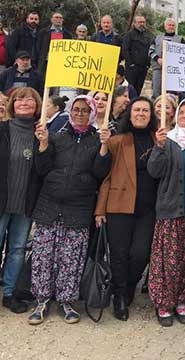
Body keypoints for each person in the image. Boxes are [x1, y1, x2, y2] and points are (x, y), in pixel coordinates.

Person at [28, 95, 109, 325]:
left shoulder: (97, 139)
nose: (80, 114)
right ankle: (42, 300)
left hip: (78, 208)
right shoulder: (56, 137)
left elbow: (100, 173)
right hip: (49, 205)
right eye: (76, 110)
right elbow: (41, 169)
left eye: (85, 110)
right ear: (70, 112)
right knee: (44, 257)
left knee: (71, 259)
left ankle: (66, 301)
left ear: (92, 113)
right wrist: (43, 144)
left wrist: (104, 147)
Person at [94, 97, 159, 321]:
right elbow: (102, 175)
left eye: (145, 110)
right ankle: (119, 295)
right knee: (119, 255)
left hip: (148, 208)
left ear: (151, 115)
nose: (141, 113)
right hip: (119, 204)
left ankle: (128, 285)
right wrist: (100, 210)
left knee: (140, 254)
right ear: (129, 114)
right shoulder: (117, 140)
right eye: (137, 110)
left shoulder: (158, 139)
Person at [147, 99, 185, 326]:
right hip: (171, 210)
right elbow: (154, 171)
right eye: (181, 112)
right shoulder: (168, 139)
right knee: (167, 260)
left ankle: (182, 299)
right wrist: (158, 148)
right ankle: (164, 302)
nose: (184, 115)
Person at [0, 87, 43, 314]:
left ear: (37, 105)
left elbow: (43, 168)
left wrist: (44, 144)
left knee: (17, 249)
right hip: (1, 201)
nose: (24, 102)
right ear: (12, 105)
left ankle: (8, 293)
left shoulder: (41, 135)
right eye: (18, 99)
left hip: (25, 203)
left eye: (29, 99)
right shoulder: (2, 129)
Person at [149, 19, 185, 99]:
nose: (171, 27)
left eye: (173, 25)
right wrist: (158, 59)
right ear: (165, 27)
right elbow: (151, 51)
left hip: (173, 71)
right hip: (158, 68)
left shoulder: (180, 39)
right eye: (169, 25)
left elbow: (184, 54)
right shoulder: (157, 38)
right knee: (156, 91)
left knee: (172, 93)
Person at [121, 15, 153, 95]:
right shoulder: (129, 35)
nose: (141, 24)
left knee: (138, 90)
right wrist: (131, 63)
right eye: (139, 22)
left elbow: (150, 49)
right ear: (134, 23)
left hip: (143, 68)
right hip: (132, 69)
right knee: (130, 90)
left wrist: (148, 64)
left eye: (143, 22)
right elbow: (125, 49)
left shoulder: (147, 35)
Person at [35, 12, 73, 77]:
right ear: (51, 19)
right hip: (45, 63)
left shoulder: (68, 34)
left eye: (60, 18)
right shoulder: (43, 32)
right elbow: (38, 47)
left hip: (61, 63)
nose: (59, 19)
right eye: (56, 17)